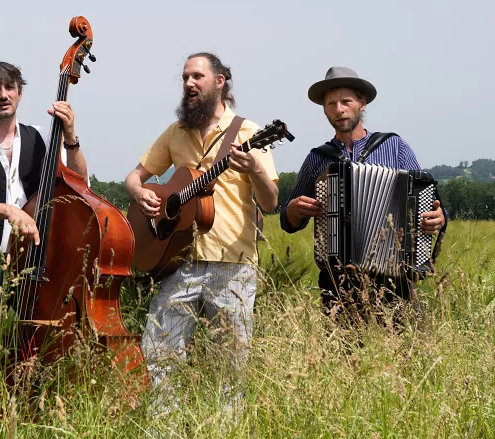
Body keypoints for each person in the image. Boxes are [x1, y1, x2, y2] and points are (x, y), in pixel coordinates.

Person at [124, 52, 279, 400]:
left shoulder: (249, 132)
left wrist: (254, 169)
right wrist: (140, 193)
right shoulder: (175, 132)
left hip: (232, 265)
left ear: (220, 81)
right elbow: (135, 176)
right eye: (184, 78)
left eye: (197, 77)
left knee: (230, 364)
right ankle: (165, 428)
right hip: (178, 261)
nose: (189, 84)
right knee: (158, 350)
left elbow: (270, 204)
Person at [0, 61, 88, 418]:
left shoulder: (40, 137)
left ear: (20, 94)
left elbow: (78, 183)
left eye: (9, 88)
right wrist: (12, 212)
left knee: (38, 344)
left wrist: (70, 136)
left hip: (39, 260)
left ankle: (32, 415)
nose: (3, 95)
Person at [280, 66, 446, 319]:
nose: (339, 109)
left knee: (405, 352)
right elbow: (289, 222)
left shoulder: (394, 146)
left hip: (394, 277)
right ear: (324, 109)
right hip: (337, 280)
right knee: (343, 354)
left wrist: (439, 218)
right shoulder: (317, 158)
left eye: (346, 101)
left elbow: (429, 200)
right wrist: (293, 211)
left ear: (362, 103)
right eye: (331, 103)